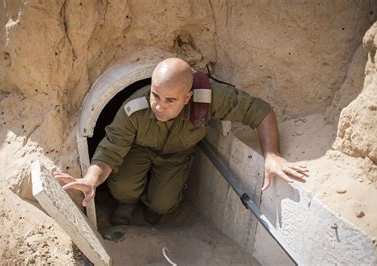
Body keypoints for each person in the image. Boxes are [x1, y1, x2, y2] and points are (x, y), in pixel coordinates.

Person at [53, 58, 308, 225]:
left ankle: (153, 206)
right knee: (122, 187)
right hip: (138, 149)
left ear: (187, 98)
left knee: (162, 205)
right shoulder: (134, 108)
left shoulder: (208, 99)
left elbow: (260, 111)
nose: (158, 106)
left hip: (177, 154)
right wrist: (90, 179)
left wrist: (272, 154)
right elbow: (109, 150)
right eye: (155, 95)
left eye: (170, 101)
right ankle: (126, 203)